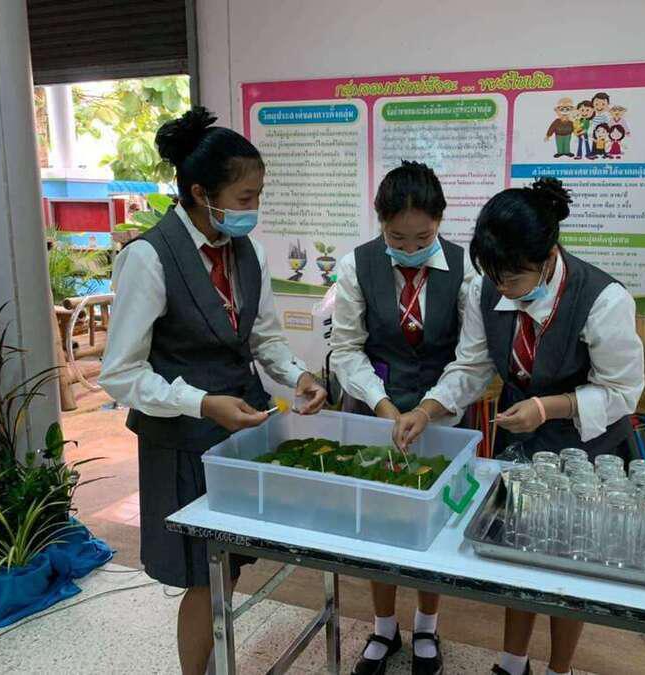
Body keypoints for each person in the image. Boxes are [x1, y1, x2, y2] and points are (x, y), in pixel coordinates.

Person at [100, 106, 327, 675]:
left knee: (226, 564)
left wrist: (298, 375)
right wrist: (199, 403)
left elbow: (263, 337)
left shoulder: (245, 251)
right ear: (201, 193)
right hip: (181, 441)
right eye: (246, 197)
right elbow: (121, 374)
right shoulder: (149, 258)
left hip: (238, 432)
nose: (255, 208)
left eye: (258, 195)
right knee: (200, 574)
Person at [393, 178, 644, 675]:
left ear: (548, 257)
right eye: (494, 277)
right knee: (518, 553)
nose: (502, 289)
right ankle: (512, 663)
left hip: (586, 448)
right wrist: (427, 409)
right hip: (521, 440)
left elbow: (622, 393)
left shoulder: (603, 300)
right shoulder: (484, 288)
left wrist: (548, 407)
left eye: (512, 279)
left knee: (570, 568)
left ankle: (559, 668)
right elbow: (471, 367)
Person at [330, 160, 475, 675]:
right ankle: (384, 627)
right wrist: (384, 405)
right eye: (398, 237)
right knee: (378, 520)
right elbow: (346, 349)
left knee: (434, 522)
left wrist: (428, 408)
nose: (410, 248)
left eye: (423, 238)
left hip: (442, 411)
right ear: (380, 221)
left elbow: (472, 357)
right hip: (377, 408)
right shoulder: (357, 266)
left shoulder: (465, 268)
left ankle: (427, 627)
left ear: (440, 222)